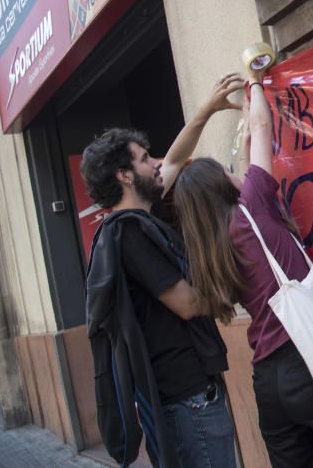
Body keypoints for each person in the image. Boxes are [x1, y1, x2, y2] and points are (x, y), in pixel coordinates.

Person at [173, 68, 313, 468]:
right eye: (225, 170)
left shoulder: (209, 250)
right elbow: (264, 128)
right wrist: (255, 79)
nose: (236, 171)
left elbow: (252, 150)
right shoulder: (251, 206)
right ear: (221, 185)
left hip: (268, 384)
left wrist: (247, 137)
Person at [83, 73, 243, 467]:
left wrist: (207, 110)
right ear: (124, 176)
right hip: (188, 401)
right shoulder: (131, 234)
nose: (155, 164)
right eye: (143, 159)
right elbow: (188, 304)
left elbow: (171, 160)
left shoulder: (139, 217)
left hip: (188, 398)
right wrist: (242, 280)